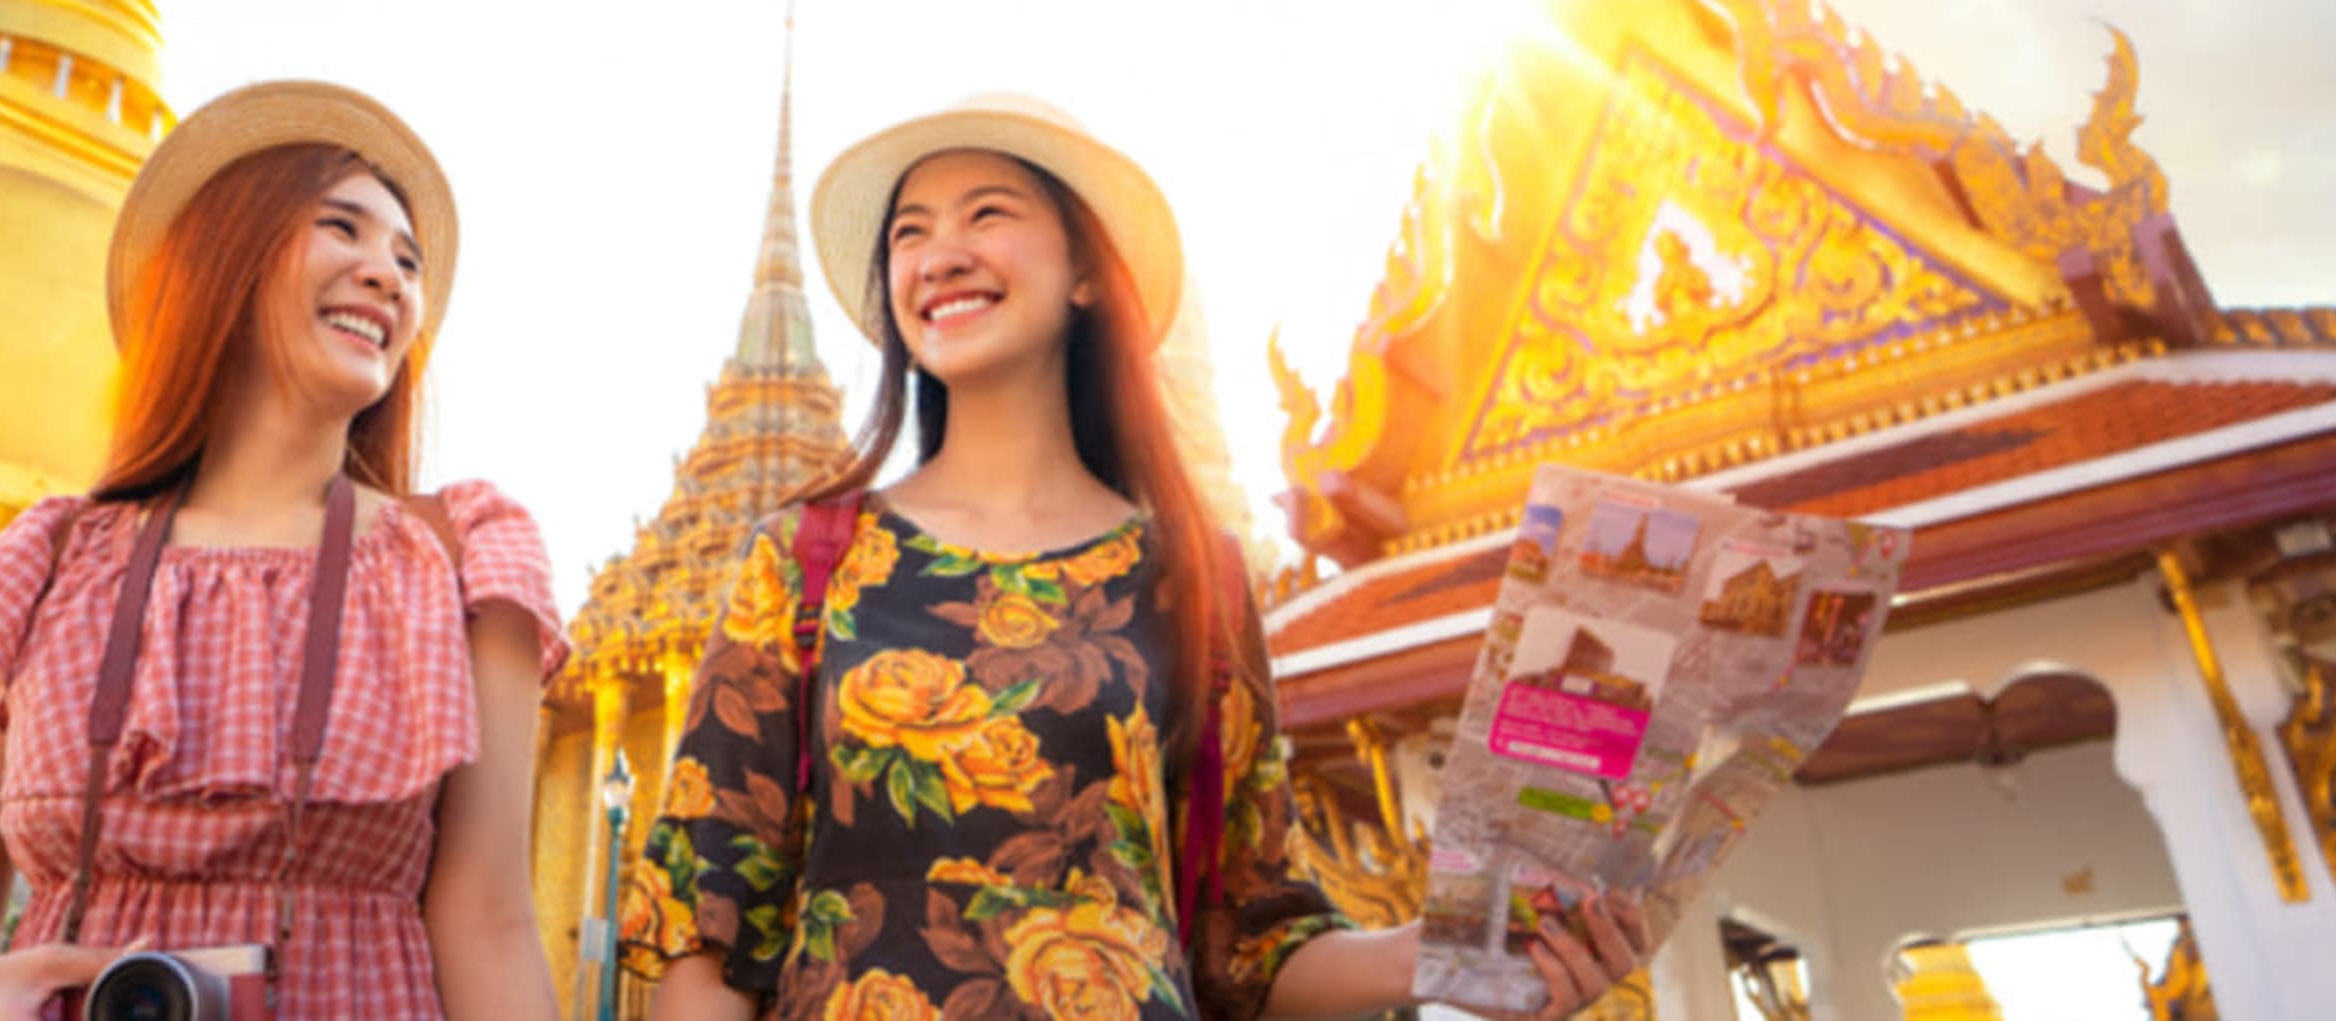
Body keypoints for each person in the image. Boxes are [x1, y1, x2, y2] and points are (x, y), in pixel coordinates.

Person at [628, 94, 1660, 1021]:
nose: (938, 254)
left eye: (986, 214)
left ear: (1084, 270)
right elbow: (713, 923)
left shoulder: (1192, 579)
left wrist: (1445, 951)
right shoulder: (807, 562)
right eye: (909, 233)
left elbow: (1246, 940)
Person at [0, 81, 566, 1021]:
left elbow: (488, 920)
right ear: (227, 254)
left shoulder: (460, 559)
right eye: (344, 229)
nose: (390, 274)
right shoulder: (48, 559)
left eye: (407, 260)